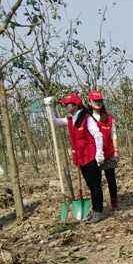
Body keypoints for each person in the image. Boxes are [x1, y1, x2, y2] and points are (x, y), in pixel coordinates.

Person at [44, 93, 105, 223]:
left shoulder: (86, 118)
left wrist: (99, 153)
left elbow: (98, 135)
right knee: (90, 184)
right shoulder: (71, 119)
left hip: (91, 157)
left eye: (67, 105)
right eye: (64, 105)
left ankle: (98, 211)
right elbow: (55, 122)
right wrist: (50, 108)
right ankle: (95, 209)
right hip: (81, 158)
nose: (65, 107)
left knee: (95, 185)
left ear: (75, 105)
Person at [88, 90, 119, 210]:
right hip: (93, 155)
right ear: (90, 102)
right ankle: (98, 205)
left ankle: (114, 201)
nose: (98, 103)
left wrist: (116, 151)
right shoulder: (87, 118)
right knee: (96, 181)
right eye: (95, 101)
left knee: (111, 178)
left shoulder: (109, 118)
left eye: (100, 101)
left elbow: (113, 135)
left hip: (109, 153)